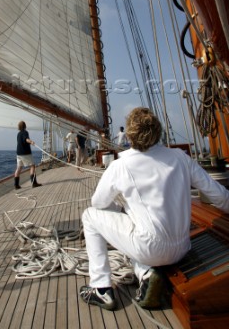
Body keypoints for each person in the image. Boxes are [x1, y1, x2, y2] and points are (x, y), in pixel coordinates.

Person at [79, 107, 229, 311]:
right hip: (182, 248)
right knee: (134, 224)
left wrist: (122, 198)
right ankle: (146, 274)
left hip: (149, 248)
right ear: (157, 131)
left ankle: (101, 288)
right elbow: (219, 195)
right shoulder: (180, 157)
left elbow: (98, 204)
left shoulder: (120, 166)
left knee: (89, 216)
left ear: (130, 134)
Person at [14, 121, 42, 189]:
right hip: (25, 153)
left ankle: (16, 185)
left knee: (19, 168)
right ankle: (34, 183)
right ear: (25, 126)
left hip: (19, 153)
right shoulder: (25, 132)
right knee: (32, 166)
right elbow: (26, 139)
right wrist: (31, 142)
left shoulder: (18, 134)